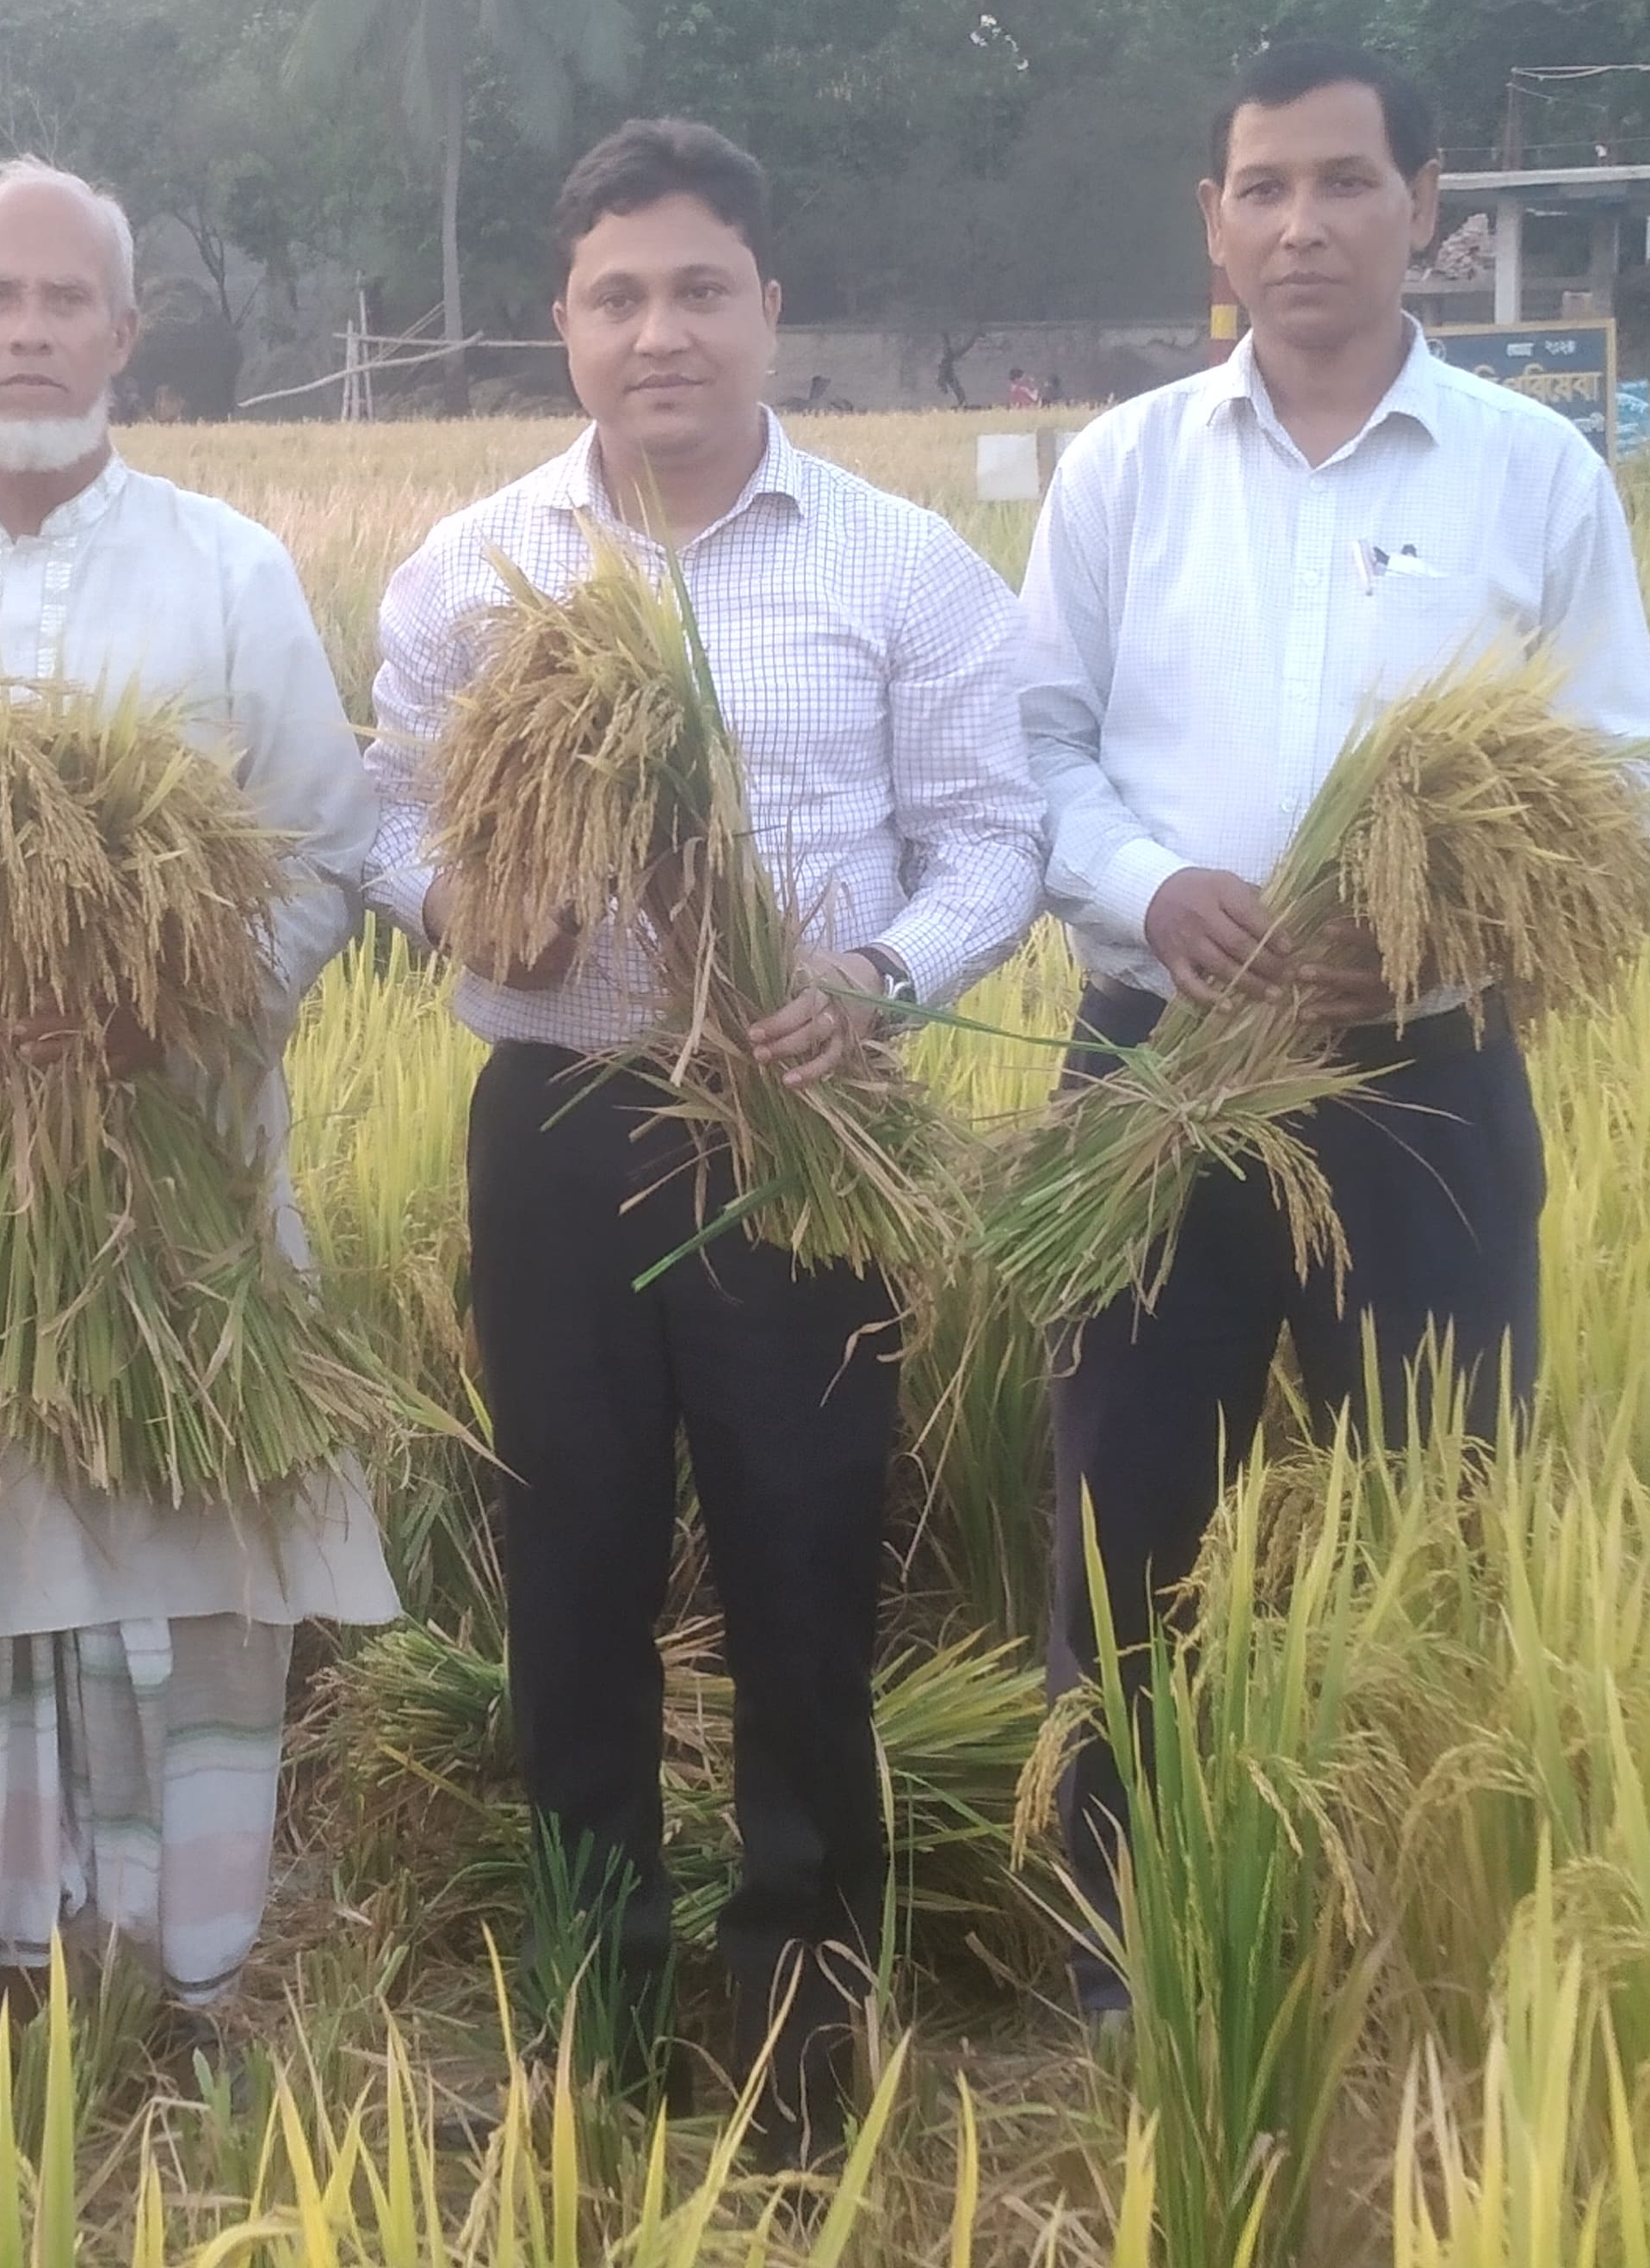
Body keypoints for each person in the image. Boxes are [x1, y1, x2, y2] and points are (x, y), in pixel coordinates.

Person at [365, 118, 1044, 2162]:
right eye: (613, 296)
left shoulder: (893, 561)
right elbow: (385, 812)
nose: (655, 332)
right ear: (561, 325)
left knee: (803, 1577)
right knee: (563, 1571)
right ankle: (589, 2006)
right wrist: (464, 908)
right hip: (559, 1127)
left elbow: (989, 837)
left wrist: (881, 986)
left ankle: (798, 2032)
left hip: (802, 1131)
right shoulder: (474, 567)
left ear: (769, 310)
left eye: (696, 290)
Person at [1014, 39, 1650, 2022]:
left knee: (1434, 1500)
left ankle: (1419, 1922)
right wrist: (1151, 893)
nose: (1297, 222)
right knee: (1123, 1519)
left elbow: (1627, 783)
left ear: (1426, 208)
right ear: (1210, 220)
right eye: (1259, 187)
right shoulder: (1122, 463)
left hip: (1420, 1087)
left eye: (1341, 182)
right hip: (1156, 1074)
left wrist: (1426, 932)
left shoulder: (1527, 471)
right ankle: (1115, 1938)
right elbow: (1028, 751)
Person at [0, 158, 398, 2067]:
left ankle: (173, 1987)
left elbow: (320, 854)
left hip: (168, 1176)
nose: (29, 334)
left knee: (173, 1539)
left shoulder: (224, 568)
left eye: (67, 301)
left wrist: (158, 1011)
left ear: (124, 333)